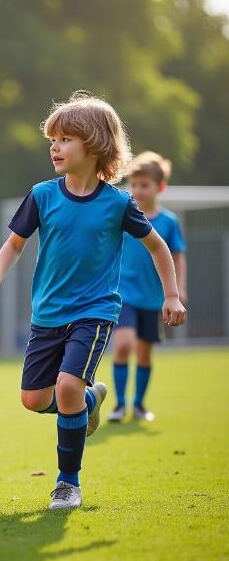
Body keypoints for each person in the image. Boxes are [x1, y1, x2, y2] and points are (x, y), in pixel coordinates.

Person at [0, 92, 186, 510]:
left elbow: (159, 248)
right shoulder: (42, 195)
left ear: (94, 146)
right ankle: (90, 402)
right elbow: (14, 244)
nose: (54, 146)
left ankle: (67, 482)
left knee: (68, 386)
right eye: (52, 139)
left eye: (66, 138)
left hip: (95, 311)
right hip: (48, 314)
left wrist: (172, 295)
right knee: (35, 399)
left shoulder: (119, 203)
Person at [109, 152, 187, 422]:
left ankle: (139, 405)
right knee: (123, 346)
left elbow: (177, 256)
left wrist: (178, 290)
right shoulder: (124, 215)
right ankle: (119, 405)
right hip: (123, 294)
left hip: (154, 298)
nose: (138, 190)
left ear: (160, 187)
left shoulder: (169, 222)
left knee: (144, 354)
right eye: (134, 184)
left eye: (145, 185)